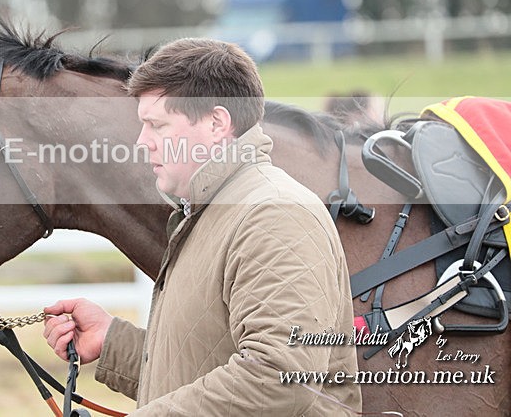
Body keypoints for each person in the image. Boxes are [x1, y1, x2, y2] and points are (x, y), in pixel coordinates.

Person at [43, 38, 361, 415]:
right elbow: (202, 362)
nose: (142, 142)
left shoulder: (276, 214)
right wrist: (111, 340)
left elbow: (279, 378)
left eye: (156, 125)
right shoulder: (212, 213)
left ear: (216, 123)